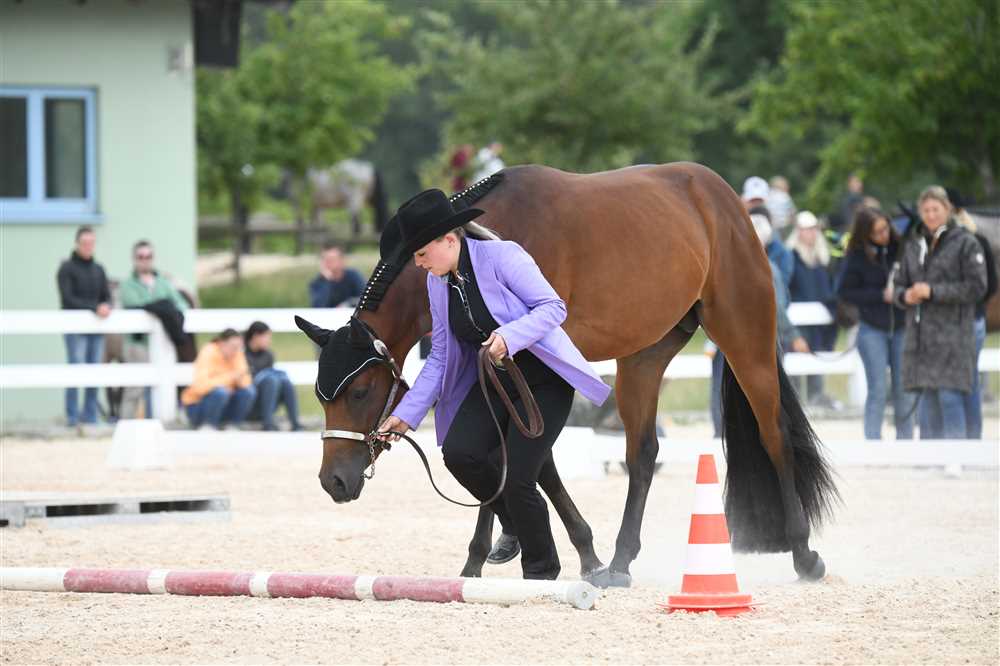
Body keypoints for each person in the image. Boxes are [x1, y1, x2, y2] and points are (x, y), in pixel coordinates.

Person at [376, 189, 610, 580]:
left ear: (448, 240)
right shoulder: (436, 282)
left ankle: (541, 572)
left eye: (421, 254)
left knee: (519, 479)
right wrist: (405, 415)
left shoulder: (504, 256)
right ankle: (514, 523)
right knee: (459, 454)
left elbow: (553, 308)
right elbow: (440, 355)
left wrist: (509, 336)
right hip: (493, 382)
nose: (418, 264)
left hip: (543, 381)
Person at [893, 186, 987, 440]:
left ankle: (958, 453)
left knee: (949, 395)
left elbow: (977, 287)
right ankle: (929, 456)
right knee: (928, 400)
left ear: (947, 209)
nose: (931, 215)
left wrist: (933, 291)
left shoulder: (966, 242)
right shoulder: (913, 245)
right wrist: (905, 296)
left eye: (936, 209)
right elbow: (898, 285)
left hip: (954, 335)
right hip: (920, 338)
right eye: (926, 210)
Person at [709, 213, 808, 437]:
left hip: (726, 337)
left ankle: (721, 433)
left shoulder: (722, 267)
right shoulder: (766, 268)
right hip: (759, 340)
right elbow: (777, 307)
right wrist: (793, 335)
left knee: (722, 389)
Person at [838, 207, 914, 439]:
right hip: (872, 330)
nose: (884, 235)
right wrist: (880, 295)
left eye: (885, 228)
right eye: (877, 232)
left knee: (904, 390)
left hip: (901, 327)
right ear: (866, 233)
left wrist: (902, 293)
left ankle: (906, 443)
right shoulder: (856, 256)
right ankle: (872, 444)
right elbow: (845, 291)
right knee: (878, 390)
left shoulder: (902, 248)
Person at [946, 189, 997, 439]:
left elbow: (988, 285)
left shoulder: (974, 239)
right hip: (948, 322)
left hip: (968, 320)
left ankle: (970, 438)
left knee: (966, 382)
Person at [118, 240, 189, 418]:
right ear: (134, 259)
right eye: (140, 256)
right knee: (135, 388)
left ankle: (156, 423)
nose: (145, 260)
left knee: (160, 387)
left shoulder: (163, 282)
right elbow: (135, 304)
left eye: (148, 256)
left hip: (162, 344)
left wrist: (160, 307)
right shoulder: (128, 284)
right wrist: (162, 305)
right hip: (138, 344)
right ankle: (126, 423)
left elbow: (181, 304)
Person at [56, 226, 111, 427]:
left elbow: (106, 296)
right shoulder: (66, 268)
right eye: (84, 243)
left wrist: (106, 306)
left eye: (91, 243)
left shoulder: (99, 269)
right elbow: (68, 299)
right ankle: (72, 416)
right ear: (77, 244)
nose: (88, 246)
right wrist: (94, 307)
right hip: (75, 328)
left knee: (94, 371)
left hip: (96, 328)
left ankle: (90, 415)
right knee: (75, 368)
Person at [786, 211, 839, 408]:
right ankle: (796, 406)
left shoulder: (823, 259)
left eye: (812, 229)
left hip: (820, 325)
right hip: (799, 322)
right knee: (796, 368)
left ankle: (817, 402)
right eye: (805, 229)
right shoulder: (791, 257)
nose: (809, 233)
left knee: (817, 365)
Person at [181, 329, 256, 430]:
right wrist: (230, 379)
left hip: (225, 404)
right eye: (233, 346)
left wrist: (238, 381)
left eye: (239, 347)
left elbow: (246, 382)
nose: (236, 350)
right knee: (220, 392)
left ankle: (233, 426)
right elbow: (200, 387)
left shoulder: (237, 353)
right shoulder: (208, 352)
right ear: (221, 343)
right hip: (197, 406)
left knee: (249, 391)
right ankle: (208, 426)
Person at [244, 321, 302, 431]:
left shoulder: (268, 355)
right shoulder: (242, 354)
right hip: (250, 404)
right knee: (271, 380)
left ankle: (295, 424)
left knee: (285, 382)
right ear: (256, 336)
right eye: (267, 337)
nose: (269, 341)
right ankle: (268, 424)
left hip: (267, 400)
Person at [308, 242, 365, 308]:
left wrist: (347, 304)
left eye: (332, 259)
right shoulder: (317, 282)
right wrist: (327, 281)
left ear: (342, 261)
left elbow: (365, 298)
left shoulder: (353, 276)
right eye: (325, 259)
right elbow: (318, 307)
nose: (328, 263)